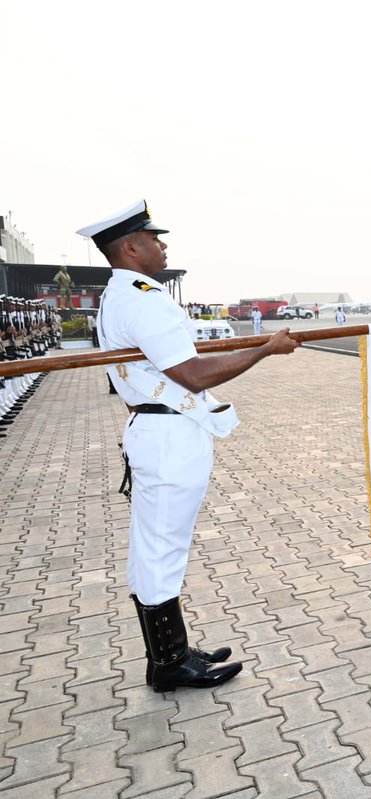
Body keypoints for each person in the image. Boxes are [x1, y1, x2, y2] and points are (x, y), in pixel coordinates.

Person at [78, 199, 299, 692]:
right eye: (155, 239)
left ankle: (170, 653)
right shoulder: (141, 297)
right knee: (162, 550)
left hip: (161, 431)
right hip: (168, 436)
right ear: (131, 246)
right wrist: (265, 348)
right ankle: (170, 664)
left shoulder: (126, 293)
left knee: (156, 548)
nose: (163, 245)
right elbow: (192, 374)